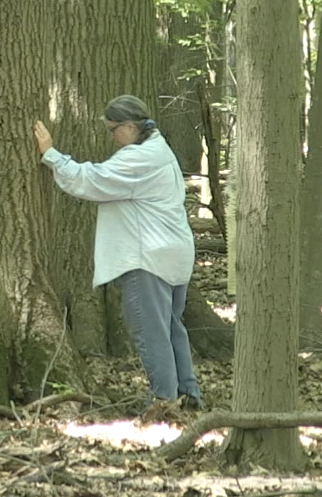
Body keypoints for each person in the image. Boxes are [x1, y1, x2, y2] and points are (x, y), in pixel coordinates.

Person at [33, 95, 203, 412]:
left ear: (129, 126)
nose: (112, 137)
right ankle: (187, 393)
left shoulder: (141, 159)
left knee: (152, 333)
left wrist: (51, 155)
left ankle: (164, 402)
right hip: (172, 253)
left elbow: (92, 180)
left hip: (149, 257)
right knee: (170, 327)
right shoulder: (158, 148)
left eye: (113, 129)